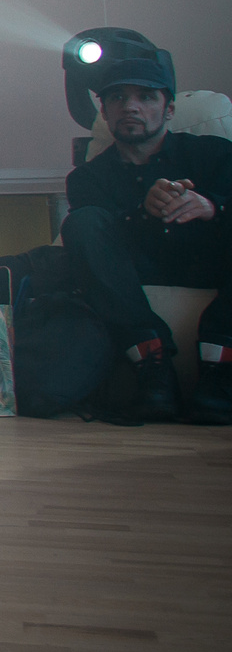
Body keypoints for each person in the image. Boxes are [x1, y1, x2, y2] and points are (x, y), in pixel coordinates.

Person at [61, 54, 232, 425]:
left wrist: (211, 206)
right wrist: (142, 212)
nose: (130, 106)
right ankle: (152, 366)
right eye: (118, 98)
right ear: (104, 112)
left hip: (212, 263)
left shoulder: (214, 153)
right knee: (82, 223)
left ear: (169, 110)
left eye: (146, 96)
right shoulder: (87, 178)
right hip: (135, 275)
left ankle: (221, 370)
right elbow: (95, 248)